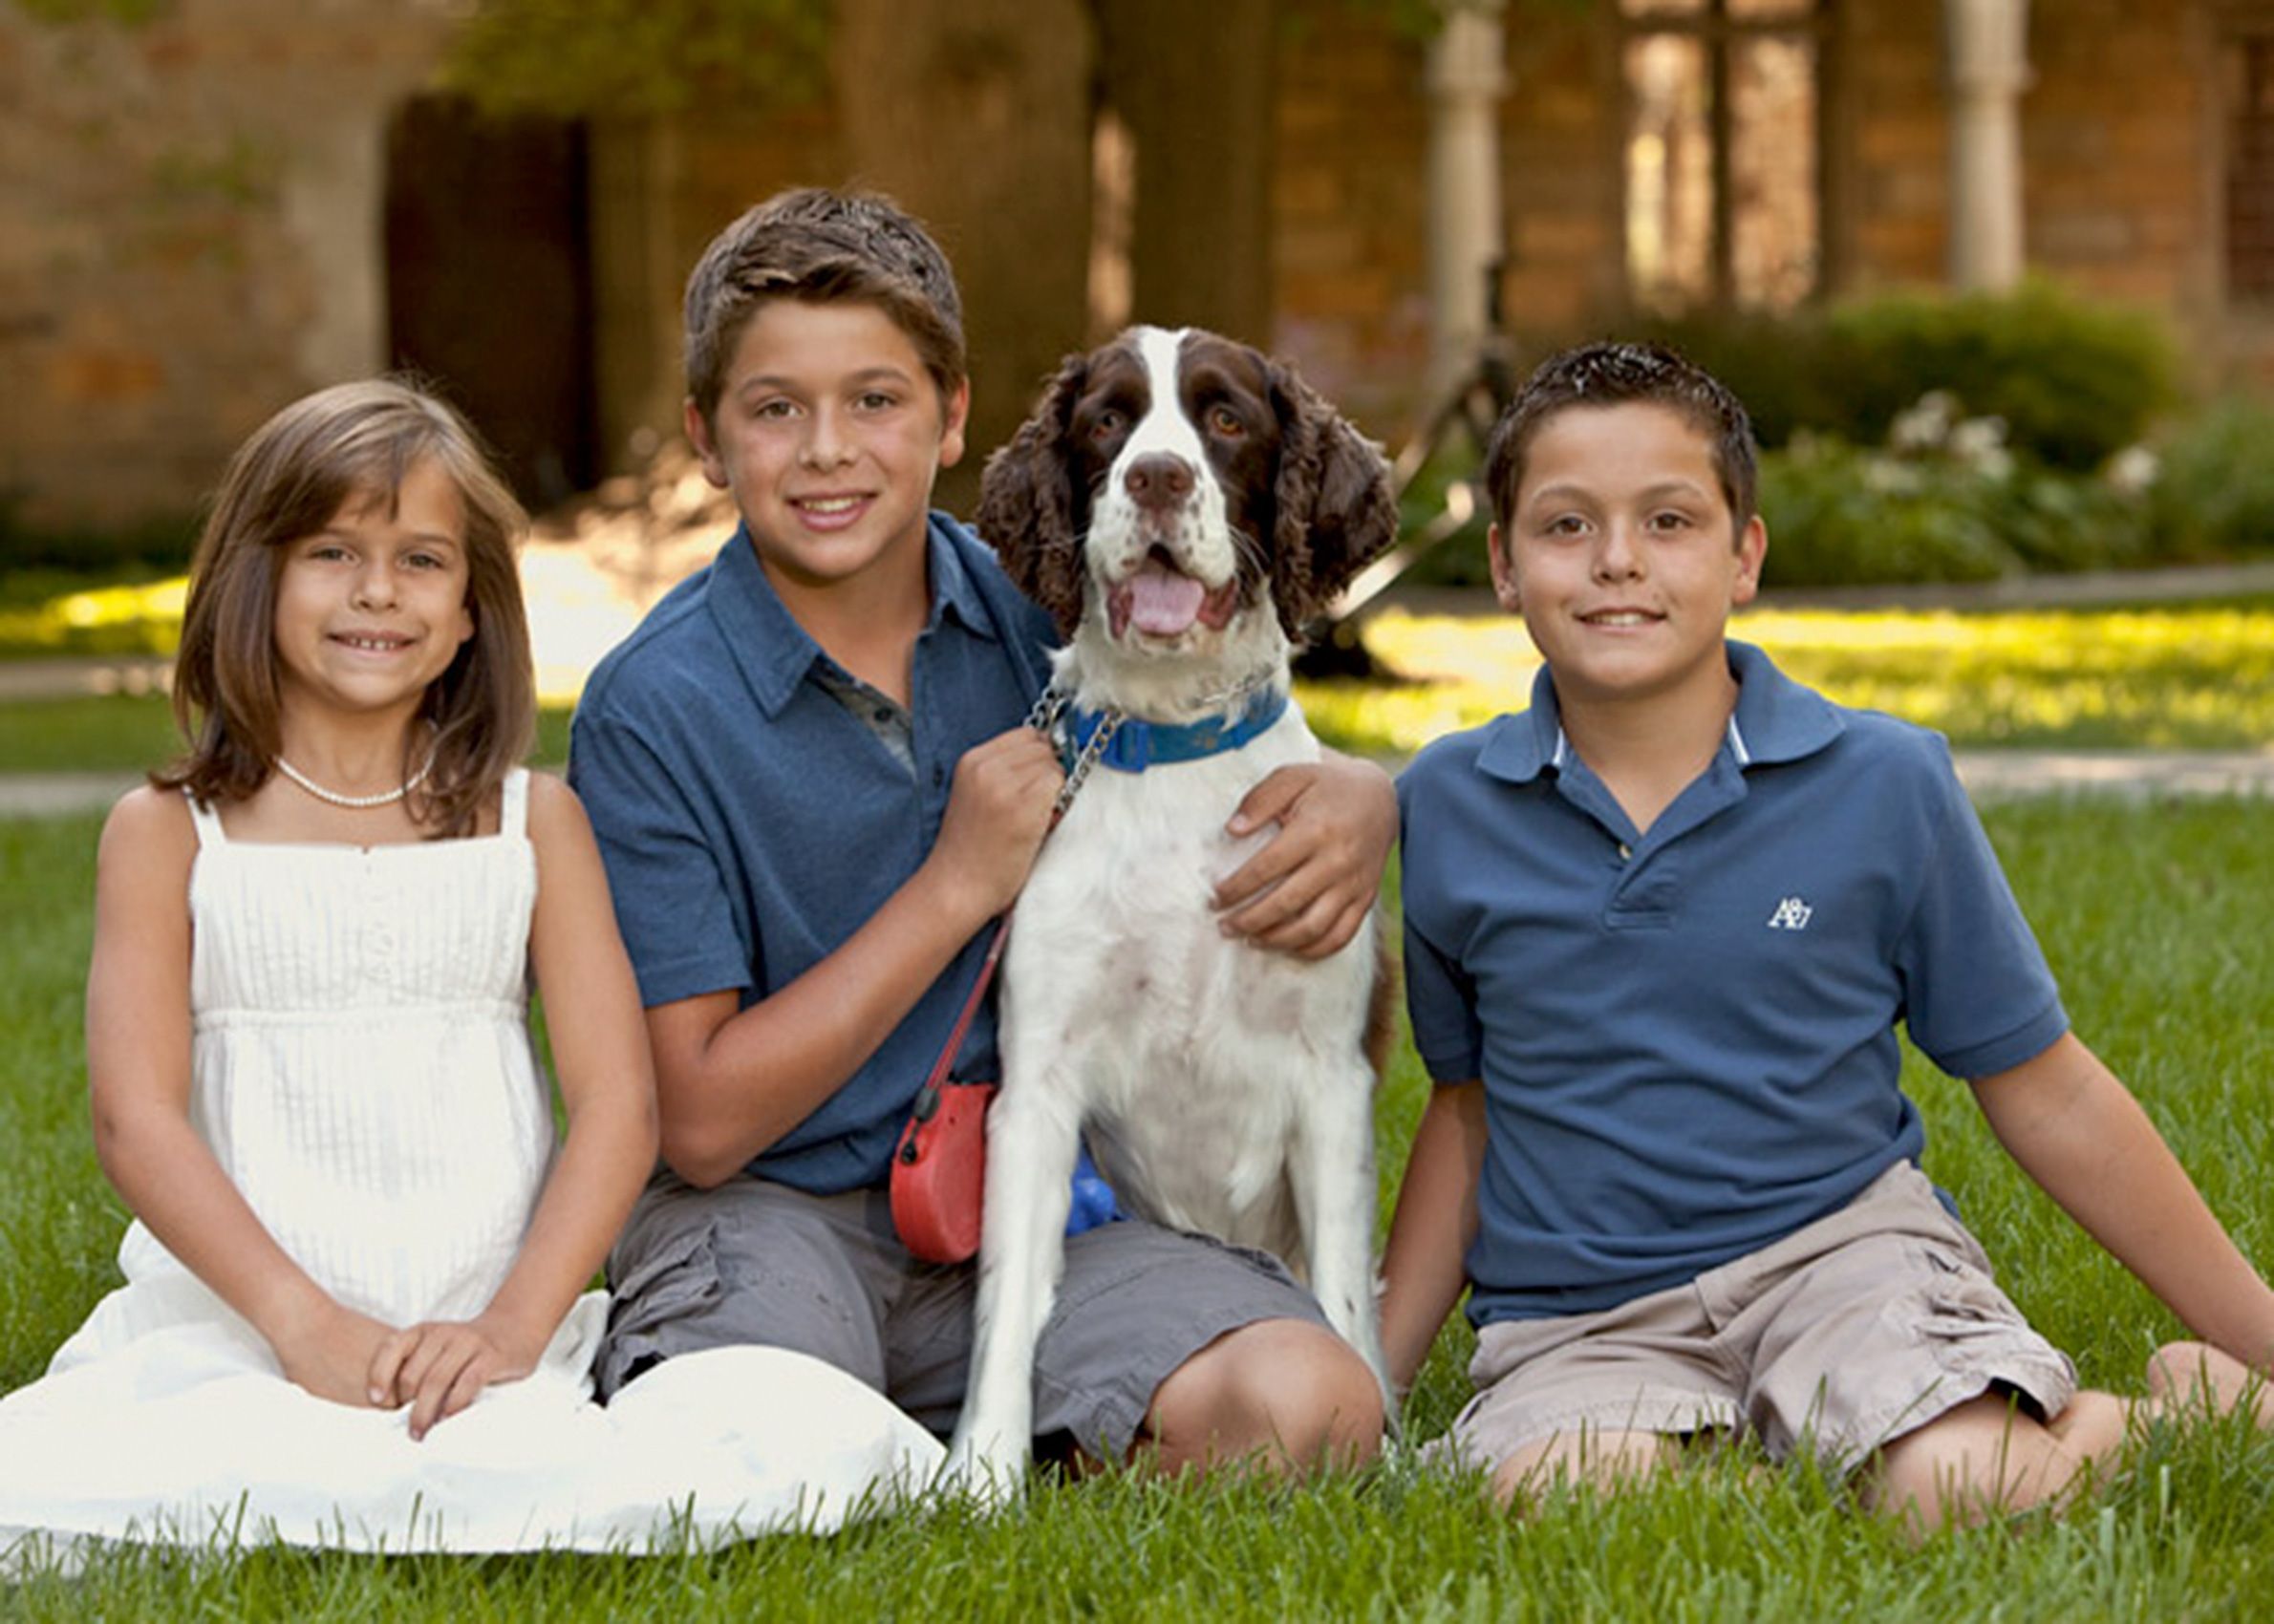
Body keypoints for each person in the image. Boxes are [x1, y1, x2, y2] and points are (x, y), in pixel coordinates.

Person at [0, 379, 941, 1570]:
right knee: (169, 1468)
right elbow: (134, 1118)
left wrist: (509, 1329)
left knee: (716, 1443)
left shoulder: (531, 822)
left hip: (492, 1321)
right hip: (245, 1316)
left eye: (422, 559)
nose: (378, 590)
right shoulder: (171, 830)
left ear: (468, 614)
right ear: (255, 578)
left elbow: (617, 1107)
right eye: (332, 550)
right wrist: (301, 1323)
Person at [1380, 340, 2274, 1532]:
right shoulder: (1449, 802)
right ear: (1499, 563)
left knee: (1970, 1493)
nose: (1617, 562)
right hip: (1583, 1312)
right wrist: (1369, 1382)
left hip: (1844, 1261)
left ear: (1744, 554)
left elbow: (2045, 1088)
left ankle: (2177, 1403)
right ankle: (1818, 1454)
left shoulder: (1883, 780)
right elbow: (1467, 1108)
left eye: (1669, 519)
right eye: (1563, 526)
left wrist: (2254, 1327)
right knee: (1577, 1509)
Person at [569, 188, 1391, 1478]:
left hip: (1026, 1219)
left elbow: (1223, 700)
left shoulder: (1046, 611)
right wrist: (954, 886)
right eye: (776, 408)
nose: (830, 450)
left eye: (878, 402)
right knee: (748, 1462)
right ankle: (881, 1416)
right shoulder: (652, 708)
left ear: (951, 418)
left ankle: (988, 1424)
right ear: (708, 440)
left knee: (1314, 1412)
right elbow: (704, 1124)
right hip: (773, 1209)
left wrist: (1367, 792)